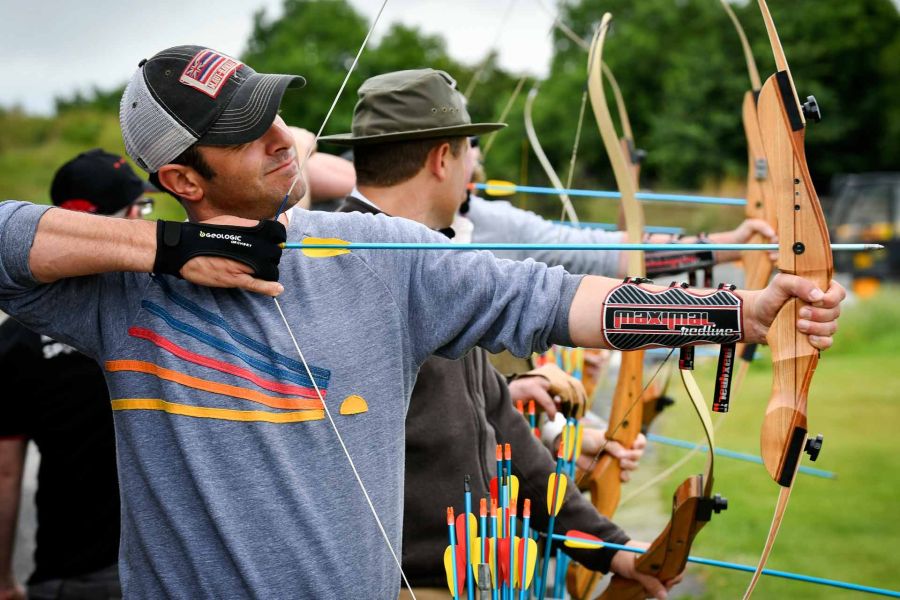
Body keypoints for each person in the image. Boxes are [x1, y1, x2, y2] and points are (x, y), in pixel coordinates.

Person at [0, 46, 844, 599]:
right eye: (240, 131)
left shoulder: (375, 251)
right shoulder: (119, 293)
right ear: (182, 178)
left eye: (269, 109)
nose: (276, 136)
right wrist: (168, 250)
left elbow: (556, 299)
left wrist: (739, 312)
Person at [321, 69, 656, 598]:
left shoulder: (428, 265)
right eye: (467, 153)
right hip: (401, 585)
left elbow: (502, 425)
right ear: (442, 159)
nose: (471, 172)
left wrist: (609, 548)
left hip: (465, 575)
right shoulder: (339, 267)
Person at [0, 149, 155, 600]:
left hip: (66, 572)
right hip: (167, 568)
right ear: (122, 219)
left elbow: (6, 473)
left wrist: (3, 579)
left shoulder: (17, 338)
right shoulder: (165, 314)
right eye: (141, 208)